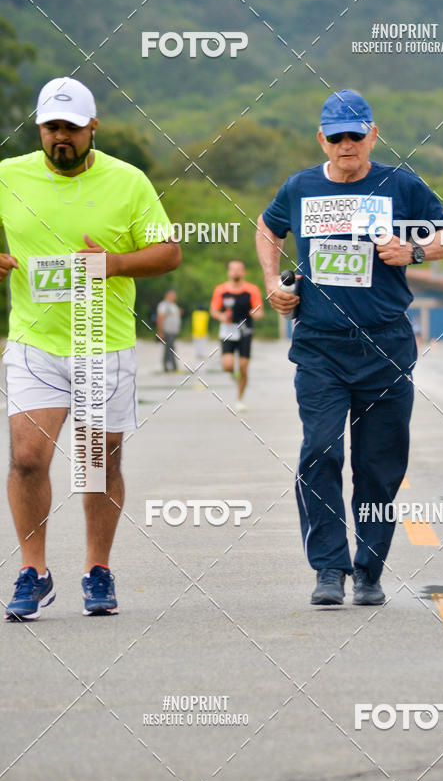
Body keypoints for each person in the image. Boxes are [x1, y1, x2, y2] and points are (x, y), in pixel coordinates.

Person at [256, 89, 443, 606]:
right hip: (320, 344)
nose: (346, 145)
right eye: (336, 136)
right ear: (321, 139)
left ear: (373, 134)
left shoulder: (401, 184)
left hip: (386, 345)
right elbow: (266, 226)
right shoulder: (300, 186)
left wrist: (414, 250)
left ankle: (369, 571)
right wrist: (273, 283)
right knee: (320, 451)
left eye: (355, 134)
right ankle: (329, 568)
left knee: (379, 464)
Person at [0, 76, 181, 621]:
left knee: (97, 465)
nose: (62, 137)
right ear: (38, 127)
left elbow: (168, 253)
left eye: (73, 128)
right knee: (28, 459)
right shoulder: (9, 175)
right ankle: (34, 570)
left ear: (92, 127)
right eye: (53, 127)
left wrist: (117, 263)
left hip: (103, 345)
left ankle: (96, 569)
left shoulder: (129, 182)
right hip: (35, 341)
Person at [210, 260, 263, 413]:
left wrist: (256, 313)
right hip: (228, 331)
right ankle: (236, 377)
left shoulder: (251, 290)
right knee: (227, 366)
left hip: (245, 331)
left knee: (244, 367)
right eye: (233, 270)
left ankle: (239, 398)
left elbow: (259, 310)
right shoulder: (221, 290)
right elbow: (214, 310)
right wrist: (221, 317)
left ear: (244, 272)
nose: (236, 272)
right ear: (228, 272)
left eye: (239, 270)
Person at [156, 289, 182, 371]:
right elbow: (160, 317)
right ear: (167, 295)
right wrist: (160, 331)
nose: (174, 297)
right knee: (169, 349)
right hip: (167, 331)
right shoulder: (164, 305)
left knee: (171, 348)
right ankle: (170, 367)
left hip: (173, 332)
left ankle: (171, 367)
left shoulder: (173, 305)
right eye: (172, 295)